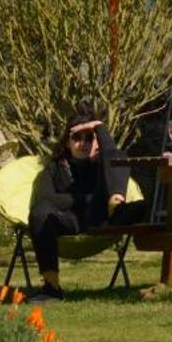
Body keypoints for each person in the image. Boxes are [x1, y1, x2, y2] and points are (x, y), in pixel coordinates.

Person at [28, 105, 143, 300]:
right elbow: (46, 199)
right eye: (77, 138)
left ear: (97, 142)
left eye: (89, 137)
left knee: (120, 162)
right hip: (71, 221)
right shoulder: (53, 170)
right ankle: (51, 286)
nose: (83, 143)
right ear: (67, 142)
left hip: (102, 218)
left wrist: (99, 127)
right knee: (39, 212)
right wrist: (88, 198)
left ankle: (116, 202)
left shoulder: (102, 164)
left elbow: (114, 155)